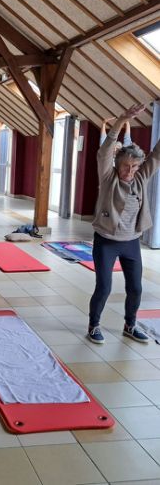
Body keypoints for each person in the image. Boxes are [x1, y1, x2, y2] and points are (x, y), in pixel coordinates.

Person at [87, 103, 160, 344]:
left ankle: (130, 325)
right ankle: (94, 325)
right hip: (106, 241)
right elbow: (105, 151)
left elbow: (156, 155)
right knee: (104, 287)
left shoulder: (141, 177)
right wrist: (120, 120)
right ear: (117, 165)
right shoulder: (108, 178)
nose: (130, 171)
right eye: (125, 166)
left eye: (134, 166)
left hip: (131, 242)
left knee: (136, 288)